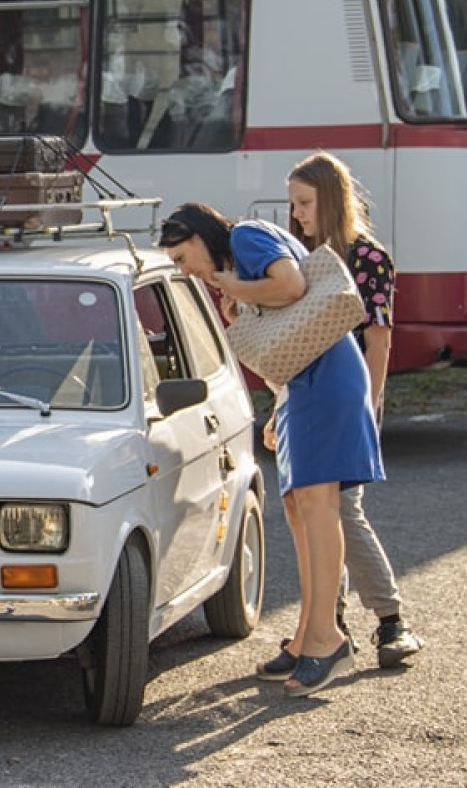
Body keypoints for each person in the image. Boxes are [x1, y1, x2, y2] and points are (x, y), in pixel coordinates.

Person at [159, 202, 384, 697]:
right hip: (308, 381)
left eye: (181, 257)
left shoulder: (245, 239)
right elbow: (286, 320)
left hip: (325, 378)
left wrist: (232, 286)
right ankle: (310, 634)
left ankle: (328, 639)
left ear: (199, 238)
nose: (185, 270)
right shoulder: (243, 251)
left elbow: (292, 287)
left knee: (319, 506)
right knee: (300, 506)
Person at [283, 151, 423, 668]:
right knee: (314, 509)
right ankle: (329, 623)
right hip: (306, 398)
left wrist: (367, 408)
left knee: (340, 509)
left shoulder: (366, 256)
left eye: (304, 203)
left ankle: (390, 619)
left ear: (332, 200)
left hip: (348, 400)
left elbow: (378, 343)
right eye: (293, 203)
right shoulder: (302, 254)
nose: (295, 214)